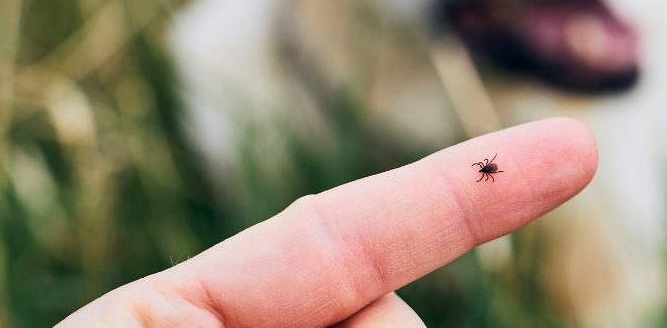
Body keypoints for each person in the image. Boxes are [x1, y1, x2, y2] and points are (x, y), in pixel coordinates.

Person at [59, 118, 597, 327]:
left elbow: (488, 172)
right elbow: (487, 171)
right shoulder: (485, 168)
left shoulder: (486, 169)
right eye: (488, 168)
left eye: (488, 168)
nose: (488, 168)